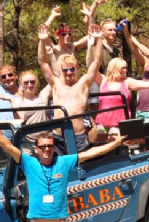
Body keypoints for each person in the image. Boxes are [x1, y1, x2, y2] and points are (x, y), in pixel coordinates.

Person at [38, 23, 104, 152]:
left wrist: (99, 39)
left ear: (77, 68)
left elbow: (97, 62)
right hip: (58, 138)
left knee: (80, 167)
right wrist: (42, 40)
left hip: (78, 137)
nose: (69, 72)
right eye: (65, 69)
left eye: (72, 69)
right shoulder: (56, 83)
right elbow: (43, 62)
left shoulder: (83, 83)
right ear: (61, 70)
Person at [95, 58, 149, 137]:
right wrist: (91, 46)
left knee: (115, 144)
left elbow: (147, 84)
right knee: (100, 145)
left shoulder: (127, 82)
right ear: (115, 67)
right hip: (101, 124)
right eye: (123, 68)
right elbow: (91, 68)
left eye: (126, 68)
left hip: (117, 124)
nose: (125, 70)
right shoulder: (103, 80)